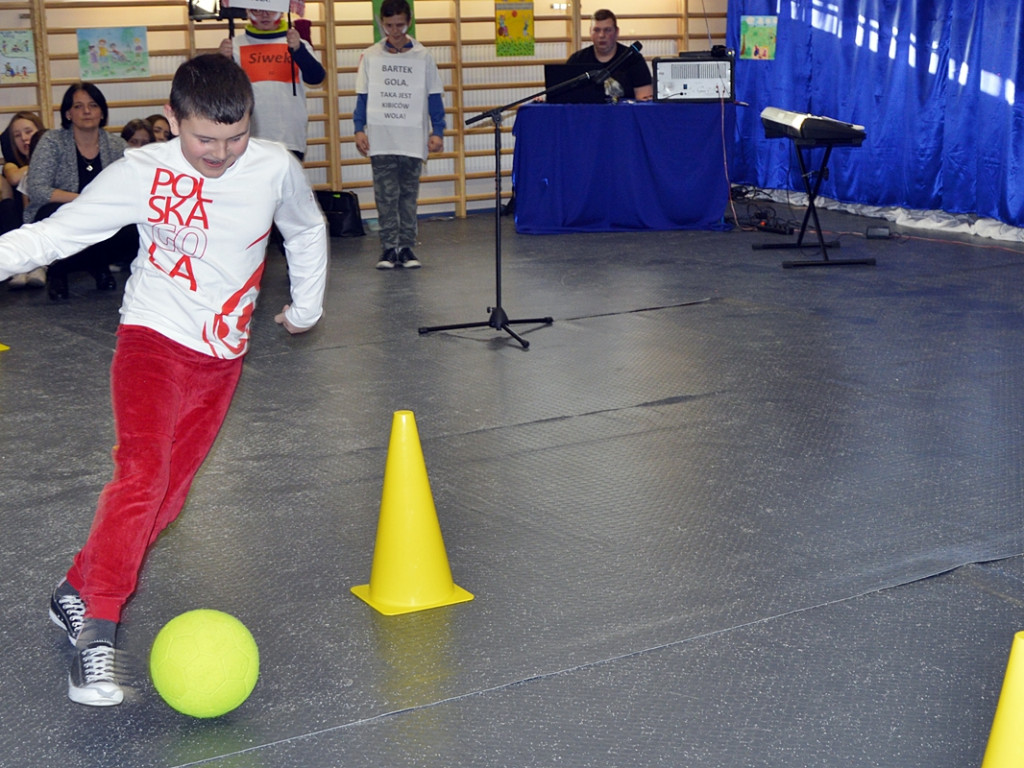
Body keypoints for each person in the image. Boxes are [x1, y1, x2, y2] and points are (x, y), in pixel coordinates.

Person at [0, 53, 328, 707]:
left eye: (235, 139)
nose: (220, 153)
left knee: (167, 499)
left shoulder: (272, 168)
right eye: (205, 138)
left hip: (221, 357)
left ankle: (74, 589)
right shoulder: (142, 172)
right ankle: (98, 634)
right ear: (174, 119)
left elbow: (306, 228)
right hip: (151, 339)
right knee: (142, 478)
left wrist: (308, 304)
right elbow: (54, 237)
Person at [353, 0, 445, 269]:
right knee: (385, 195)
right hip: (382, 136)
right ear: (381, 22)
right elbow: (362, 96)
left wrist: (437, 130)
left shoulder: (423, 56)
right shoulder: (371, 56)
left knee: (408, 194)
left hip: (412, 137)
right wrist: (359, 128)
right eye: (389, 25)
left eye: (400, 25)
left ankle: (406, 247)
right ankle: (388, 247)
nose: (394, 30)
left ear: (410, 21)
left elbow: (434, 96)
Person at [24, 82, 130, 299]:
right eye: (79, 106)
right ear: (68, 114)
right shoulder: (52, 141)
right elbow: (37, 189)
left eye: (93, 105)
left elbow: (127, 189)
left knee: (132, 223)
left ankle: (98, 264)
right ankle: (58, 272)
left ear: (102, 112)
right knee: (49, 213)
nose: (87, 111)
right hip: (64, 212)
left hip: (102, 215)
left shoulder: (117, 145)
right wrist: (83, 201)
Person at [218, 5, 326, 161]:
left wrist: (299, 50)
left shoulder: (296, 43)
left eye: (271, 9)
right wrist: (222, 61)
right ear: (247, 12)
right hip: (250, 138)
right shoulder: (234, 46)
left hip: (290, 137)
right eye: (258, 9)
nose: (265, 15)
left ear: (281, 11)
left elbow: (316, 78)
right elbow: (222, 91)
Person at [1, 111, 47, 288]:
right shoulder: (12, 164)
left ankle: (39, 265)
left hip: (42, 220)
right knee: (7, 205)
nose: (24, 139)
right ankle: (18, 265)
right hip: (18, 222)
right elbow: (13, 177)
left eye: (28, 131)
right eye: (17, 136)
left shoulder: (58, 160)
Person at [566, 9, 652, 103]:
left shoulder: (633, 59)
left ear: (616, 32)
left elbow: (644, 100)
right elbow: (567, 99)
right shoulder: (577, 60)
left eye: (607, 30)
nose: (602, 35)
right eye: (597, 30)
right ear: (590, 32)